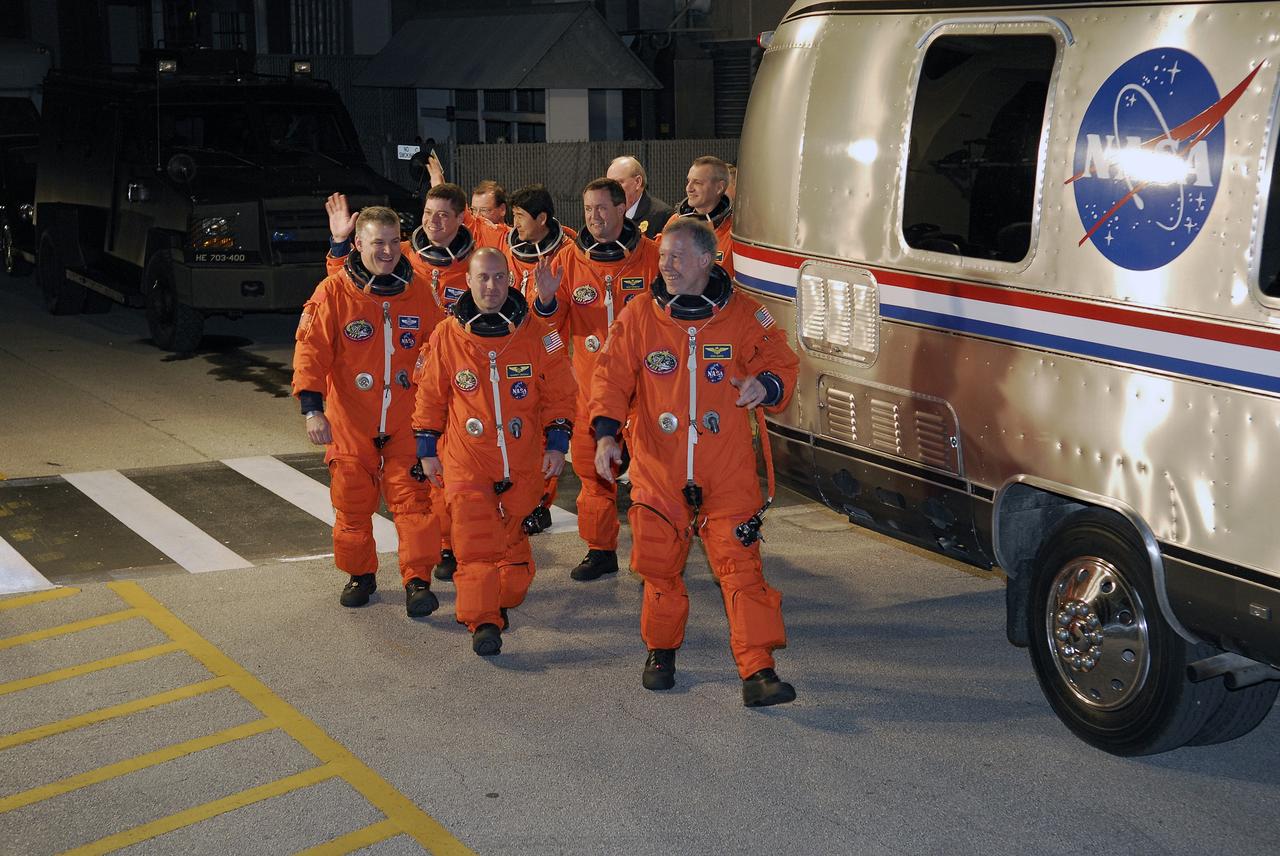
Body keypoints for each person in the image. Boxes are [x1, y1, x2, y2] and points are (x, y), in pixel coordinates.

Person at [589, 218, 799, 707]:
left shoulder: (745, 315)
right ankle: (661, 652)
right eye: (662, 257)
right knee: (659, 568)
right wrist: (605, 435)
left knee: (741, 568)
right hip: (659, 470)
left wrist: (762, 386)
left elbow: (783, 363)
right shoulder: (640, 314)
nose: (666, 266)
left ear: (707, 260)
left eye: (678, 257)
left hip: (725, 469)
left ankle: (758, 669)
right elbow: (611, 378)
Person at [327, 184, 496, 582]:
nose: (433, 222)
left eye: (442, 215)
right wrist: (338, 243)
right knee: (357, 494)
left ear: (461, 220)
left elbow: (452, 338)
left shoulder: (473, 266)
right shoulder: (400, 257)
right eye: (427, 213)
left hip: (424, 398)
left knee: (431, 487)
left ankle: (438, 556)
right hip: (373, 405)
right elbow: (346, 288)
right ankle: (362, 573)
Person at [413, 248, 576, 656]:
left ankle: (497, 601)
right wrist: (427, 449)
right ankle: (483, 622)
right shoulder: (447, 335)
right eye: (482, 278)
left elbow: (561, 394)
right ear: (467, 282)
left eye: (499, 277)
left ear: (511, 280)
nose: (491, 286)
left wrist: (558, 444)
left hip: (523, 461)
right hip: (468, 459)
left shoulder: (539, 334)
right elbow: (430, 397)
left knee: (514, 573)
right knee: (474, 545)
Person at [292, 205, 443, 616]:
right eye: (378, 243)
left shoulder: (420, 289)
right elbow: (310, 350)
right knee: (353, 503)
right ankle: (361, 575)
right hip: (350, 422)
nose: (389, 251)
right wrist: (312, 409)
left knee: (415, 505)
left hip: (406, 422)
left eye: (395, 242)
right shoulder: (334, 292)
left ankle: (417, 580)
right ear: (357, 245)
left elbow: (442, 348)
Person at [531, 177, 660, 581]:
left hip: (646, 392)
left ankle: (656, 554)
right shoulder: (568, 261)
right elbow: (549, 330)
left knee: (654, 477)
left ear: (623, 208)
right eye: (588, 209)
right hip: (590, 390)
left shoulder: (652, 256)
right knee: (592, 475)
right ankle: (600, 550)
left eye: (602, 208)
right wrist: (547, 300)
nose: (594, 217)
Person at [503, 183, 578, 535]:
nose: (514, 224)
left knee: (548, 432)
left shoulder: (569, 250)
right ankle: (520, 497)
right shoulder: (505, 246)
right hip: (511, 352)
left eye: (519, 217)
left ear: (542, 219)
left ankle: (540, 503)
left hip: (551, 357)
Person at [663, 156, 735, 279]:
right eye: (688, 181)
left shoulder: (736, 229)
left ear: (719, 187)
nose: (689, 188)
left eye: (697, 182)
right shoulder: (674, 222)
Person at [606, 155, 673, 240]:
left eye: (618, 183)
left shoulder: (663, 216)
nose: (611, 190)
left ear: (637, 182)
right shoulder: (607, 213)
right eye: (609, 184)